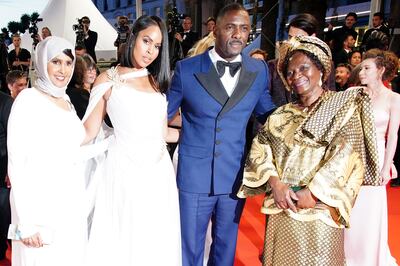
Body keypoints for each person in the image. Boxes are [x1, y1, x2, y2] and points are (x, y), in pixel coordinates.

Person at [238, 35, 380, 266]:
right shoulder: (281, 114)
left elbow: (347, 154)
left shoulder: (342, 106)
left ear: (321, 69)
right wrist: (276, 184)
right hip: (282, 207)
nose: (296, 77)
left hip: (320, 210)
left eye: (304, 68)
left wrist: (313, 193)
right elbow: (260, 149)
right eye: (290, 73)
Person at [167, 4, 275, 265]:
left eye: (245, 28)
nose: (238, 34)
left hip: (234, 176)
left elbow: (268, 117)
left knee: (226, 247)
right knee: (189, 248)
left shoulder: (258, 71)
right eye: (231, 27)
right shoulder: (187, 68)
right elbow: (162, 113)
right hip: (194, 176)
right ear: (215, 29)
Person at [83, 15, 181, 265]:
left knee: (153, 242)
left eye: (157, 46)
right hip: (123, 172)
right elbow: (88, 132)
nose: (151, 51)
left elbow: (162, 133)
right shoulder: (108, 78)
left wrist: (196, 134)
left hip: (158, 174)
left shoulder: (155, 82)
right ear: (133, 38)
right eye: (146, 41)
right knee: (124, 240)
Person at [7, 36, 87, 266]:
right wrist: (27, 223)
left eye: (68, 62)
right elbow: (17, 164)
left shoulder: (67, 101)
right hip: (39, 209)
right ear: (43, 62)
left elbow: (75, 148)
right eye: (56, 62)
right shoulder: (28, 100)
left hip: (70, 206)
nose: (63, 69)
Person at [344, 49, 400, 266]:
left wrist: (387, 165)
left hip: (376, 157)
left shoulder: (394, 99)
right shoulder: (354, 93)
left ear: (381, 71)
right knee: (351, 210)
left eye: (367, 68)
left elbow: (393, 135)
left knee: (370, 212)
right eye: (361, 68)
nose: (361, 72)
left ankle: (369, 259)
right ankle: (348, 257)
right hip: (352, 157)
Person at [268, 13, 335, 107]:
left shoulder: (326, 65)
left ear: (312, 37)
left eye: (299, 38)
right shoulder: (273, 66)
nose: (292, 42)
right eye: (290, 37)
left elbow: (330, 96)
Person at [0, 91, 12, 261]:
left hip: (2, 174)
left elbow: (14, 139)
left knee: (6, 218)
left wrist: (11, 170)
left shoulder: (5, 102)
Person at [67, 54, 97, 119]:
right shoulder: (76, 93)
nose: (92, 72)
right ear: (79, 71)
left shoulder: (97, 89)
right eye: (88, 69)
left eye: (93, 68)